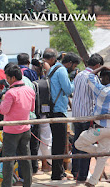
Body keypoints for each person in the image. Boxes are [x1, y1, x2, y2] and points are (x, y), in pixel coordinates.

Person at [0, 64, 35, 187]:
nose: (7, 81)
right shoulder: (30, 90)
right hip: (25, 128)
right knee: (25, 158)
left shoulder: (10, 93)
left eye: (7, 78)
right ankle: (28, 184)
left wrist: (2, 100)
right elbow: (32, 108)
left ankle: (6, 185)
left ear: (12, 78)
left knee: (8, 159)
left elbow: (3, 110)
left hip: (11, 130)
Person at [75, 65, 110, 187]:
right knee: (102, 156)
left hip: (100, 128)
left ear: (106, 77)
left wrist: (102, 67)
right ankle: (93, 181)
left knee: (78, 143)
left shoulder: (103, 91)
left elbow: (90, 77)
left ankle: (100, 152)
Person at [71, 54, 104, 182]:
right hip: (87, 116)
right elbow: (99, 95)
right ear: (97, 66)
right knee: (86, 146)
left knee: (76, 145)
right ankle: (83, 175)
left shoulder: (79, 75)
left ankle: (75, 172)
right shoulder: (93, 78)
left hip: (76, 116)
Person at [48, 52, 80, 180]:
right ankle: (56, 174)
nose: (73, 68)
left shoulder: (53, 68)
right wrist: (74, 80)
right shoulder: (61, 71)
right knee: (59, 144)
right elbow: (68, 90)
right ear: (70, 63)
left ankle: (59, 171)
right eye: (74, 65)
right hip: (59, 110)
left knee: (57, 142)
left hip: (52, 109)